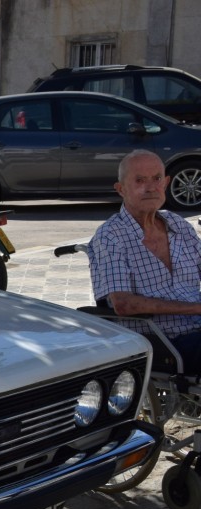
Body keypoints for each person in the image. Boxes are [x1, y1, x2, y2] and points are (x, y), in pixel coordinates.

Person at [89, 148, 201, 375]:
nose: (150, 187)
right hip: (162, 341)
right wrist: (197, 308)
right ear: (121, 189)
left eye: (157, 179)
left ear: (166, 182)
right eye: (140, 180)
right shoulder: (111, 235)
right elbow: (123, 304)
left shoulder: (178, 224)